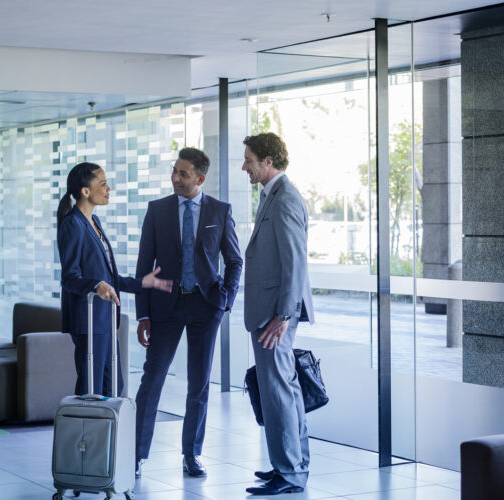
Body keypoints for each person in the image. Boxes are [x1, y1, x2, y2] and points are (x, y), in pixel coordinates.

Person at [133, 147, 242, 478]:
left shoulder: (220, 211)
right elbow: (144, 264)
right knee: (152, 380)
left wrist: (225, 299)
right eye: (174, 171)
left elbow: (235, 260)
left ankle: (191, 454)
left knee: (199, 384)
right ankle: (136, 454)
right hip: (165, 307)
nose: (175, 178)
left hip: (206, 306)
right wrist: (143, 315)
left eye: (183, 173)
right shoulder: (157, 210)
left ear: (200, 178)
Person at [57, 161, 172, 397]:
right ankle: (85, 434)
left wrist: (142, 283)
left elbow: (107, 277)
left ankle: (110, 434)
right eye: (103, 184)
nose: (108, 189)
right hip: (89, 322)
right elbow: (70, 278)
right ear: (85, 191)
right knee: (91, 389)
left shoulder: (94, 222)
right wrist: (95, 285)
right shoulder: (73, 225)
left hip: (106, 320)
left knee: (113, 389)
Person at [240, 133, 315, 496]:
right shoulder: (272, 196)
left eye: (249, 160)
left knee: (279, 391)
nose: (245, 166)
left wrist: (283, 316)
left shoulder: (284, 199)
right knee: (282, 390)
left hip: (275, 316)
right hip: (269, 313)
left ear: (268, 161)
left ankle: (290, 473)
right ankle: (290, 465)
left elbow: (295, 262)